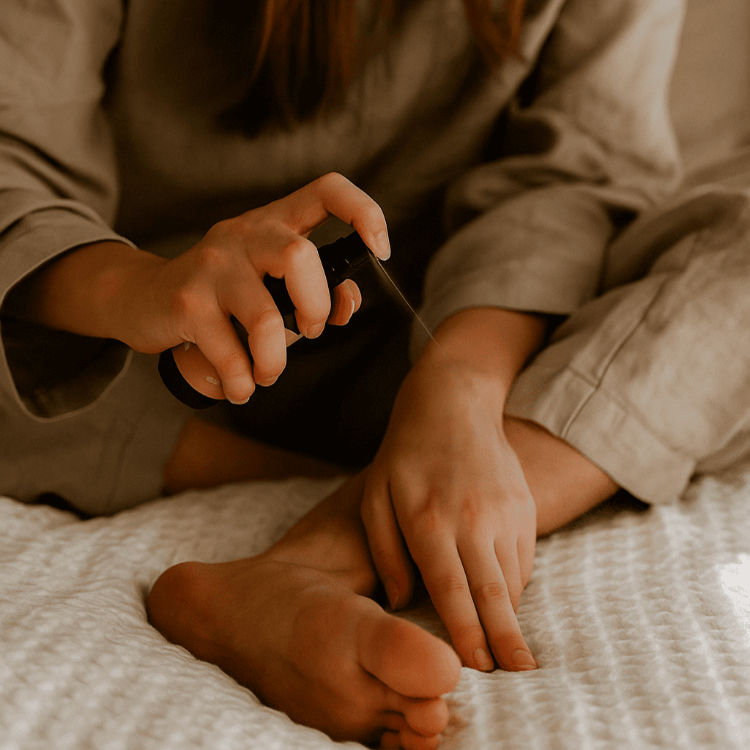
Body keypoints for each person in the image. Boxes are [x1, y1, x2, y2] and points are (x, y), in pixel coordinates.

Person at [9, 0, 742, 747]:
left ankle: (310, 559)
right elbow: (14, 153)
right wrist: (145, 290)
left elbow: (576, 171)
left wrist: (456, 390)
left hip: (463, 337)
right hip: (163, 364)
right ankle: (410, 488)